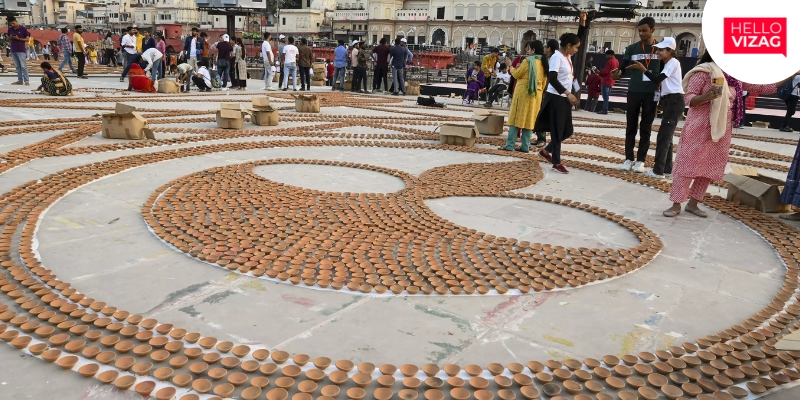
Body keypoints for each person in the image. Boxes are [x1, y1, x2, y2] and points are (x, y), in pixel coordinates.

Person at [662, 52, 792, 218]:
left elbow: (764, 87)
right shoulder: (703, 72)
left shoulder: (735, 77)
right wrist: (707, 96)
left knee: (709, 167)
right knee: (688, 165)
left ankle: (693, 203)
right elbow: (688, 98)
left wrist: (791, 74)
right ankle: (676, 204)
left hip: (722, 129)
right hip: (699, 126)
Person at [626, 37, 683, 179]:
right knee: (667, 137)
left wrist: (643, 69)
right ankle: (667, 169)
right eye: (658, 49)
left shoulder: (672, 62)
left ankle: (658, 171)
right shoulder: (669, 63)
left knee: (664, 136)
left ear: (670, 51)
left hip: (675, 100)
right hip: (671, 100)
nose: (658, 52)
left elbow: (658, 79)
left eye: (661, 50)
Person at [613, 17, 661, 173]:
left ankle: (640, 161)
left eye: (644, 30)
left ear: (653, 30)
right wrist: (618, 72)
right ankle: (628, 159)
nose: (641, 33)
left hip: (651, 93)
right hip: (634, 91)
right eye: (639, 30)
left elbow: (666, 73)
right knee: (631, 126)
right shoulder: (632, 48)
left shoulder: (661, 49)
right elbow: (622, 67)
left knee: (646, 128)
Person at [536, 33, 581, 175]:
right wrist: (568, 93)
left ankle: (545, 151)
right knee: (557, 131)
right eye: (576, 47)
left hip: (563, 98)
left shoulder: (567, 57)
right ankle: (556, 162)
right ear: (568, 46)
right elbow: (553, 79)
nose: (576, 50)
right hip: (556, 97)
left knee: (567, 131)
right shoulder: (556, 57)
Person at [499, 41, 548, 153]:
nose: (527, 51)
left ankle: (510, 145)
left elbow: (516, 74)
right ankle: (525, 147)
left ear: (533, 50)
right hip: (536, 95)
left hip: (523, 94)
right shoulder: (544, 63)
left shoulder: (528, 61)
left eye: (529, 49)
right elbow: (544, 83)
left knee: (516, 119)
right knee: (529, 121)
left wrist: (510, 66)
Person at [7, 17, 31, 86]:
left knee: (23, 66)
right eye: (11, 24)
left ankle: (26, 80)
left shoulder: (23, 29)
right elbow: (7, 39)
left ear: (16, 21)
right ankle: (20, 80)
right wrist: (11, 37)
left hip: (21, 49)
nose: (12, 25)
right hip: (13, 49)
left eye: (13, 23)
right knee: (17, 66)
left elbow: (27, 39)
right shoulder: (10, 29)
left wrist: (18, 38)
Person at [597, 49, 618, 114]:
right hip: (612, 80)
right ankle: (605, 109)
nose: (606, 56)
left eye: (607, 55)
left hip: (606, 80)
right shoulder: (617, 61)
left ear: (610, 55)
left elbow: (606, 71)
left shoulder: (610, 61)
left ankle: (604, 109)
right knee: (607, 96)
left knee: (605, 97)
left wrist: (600, 72)